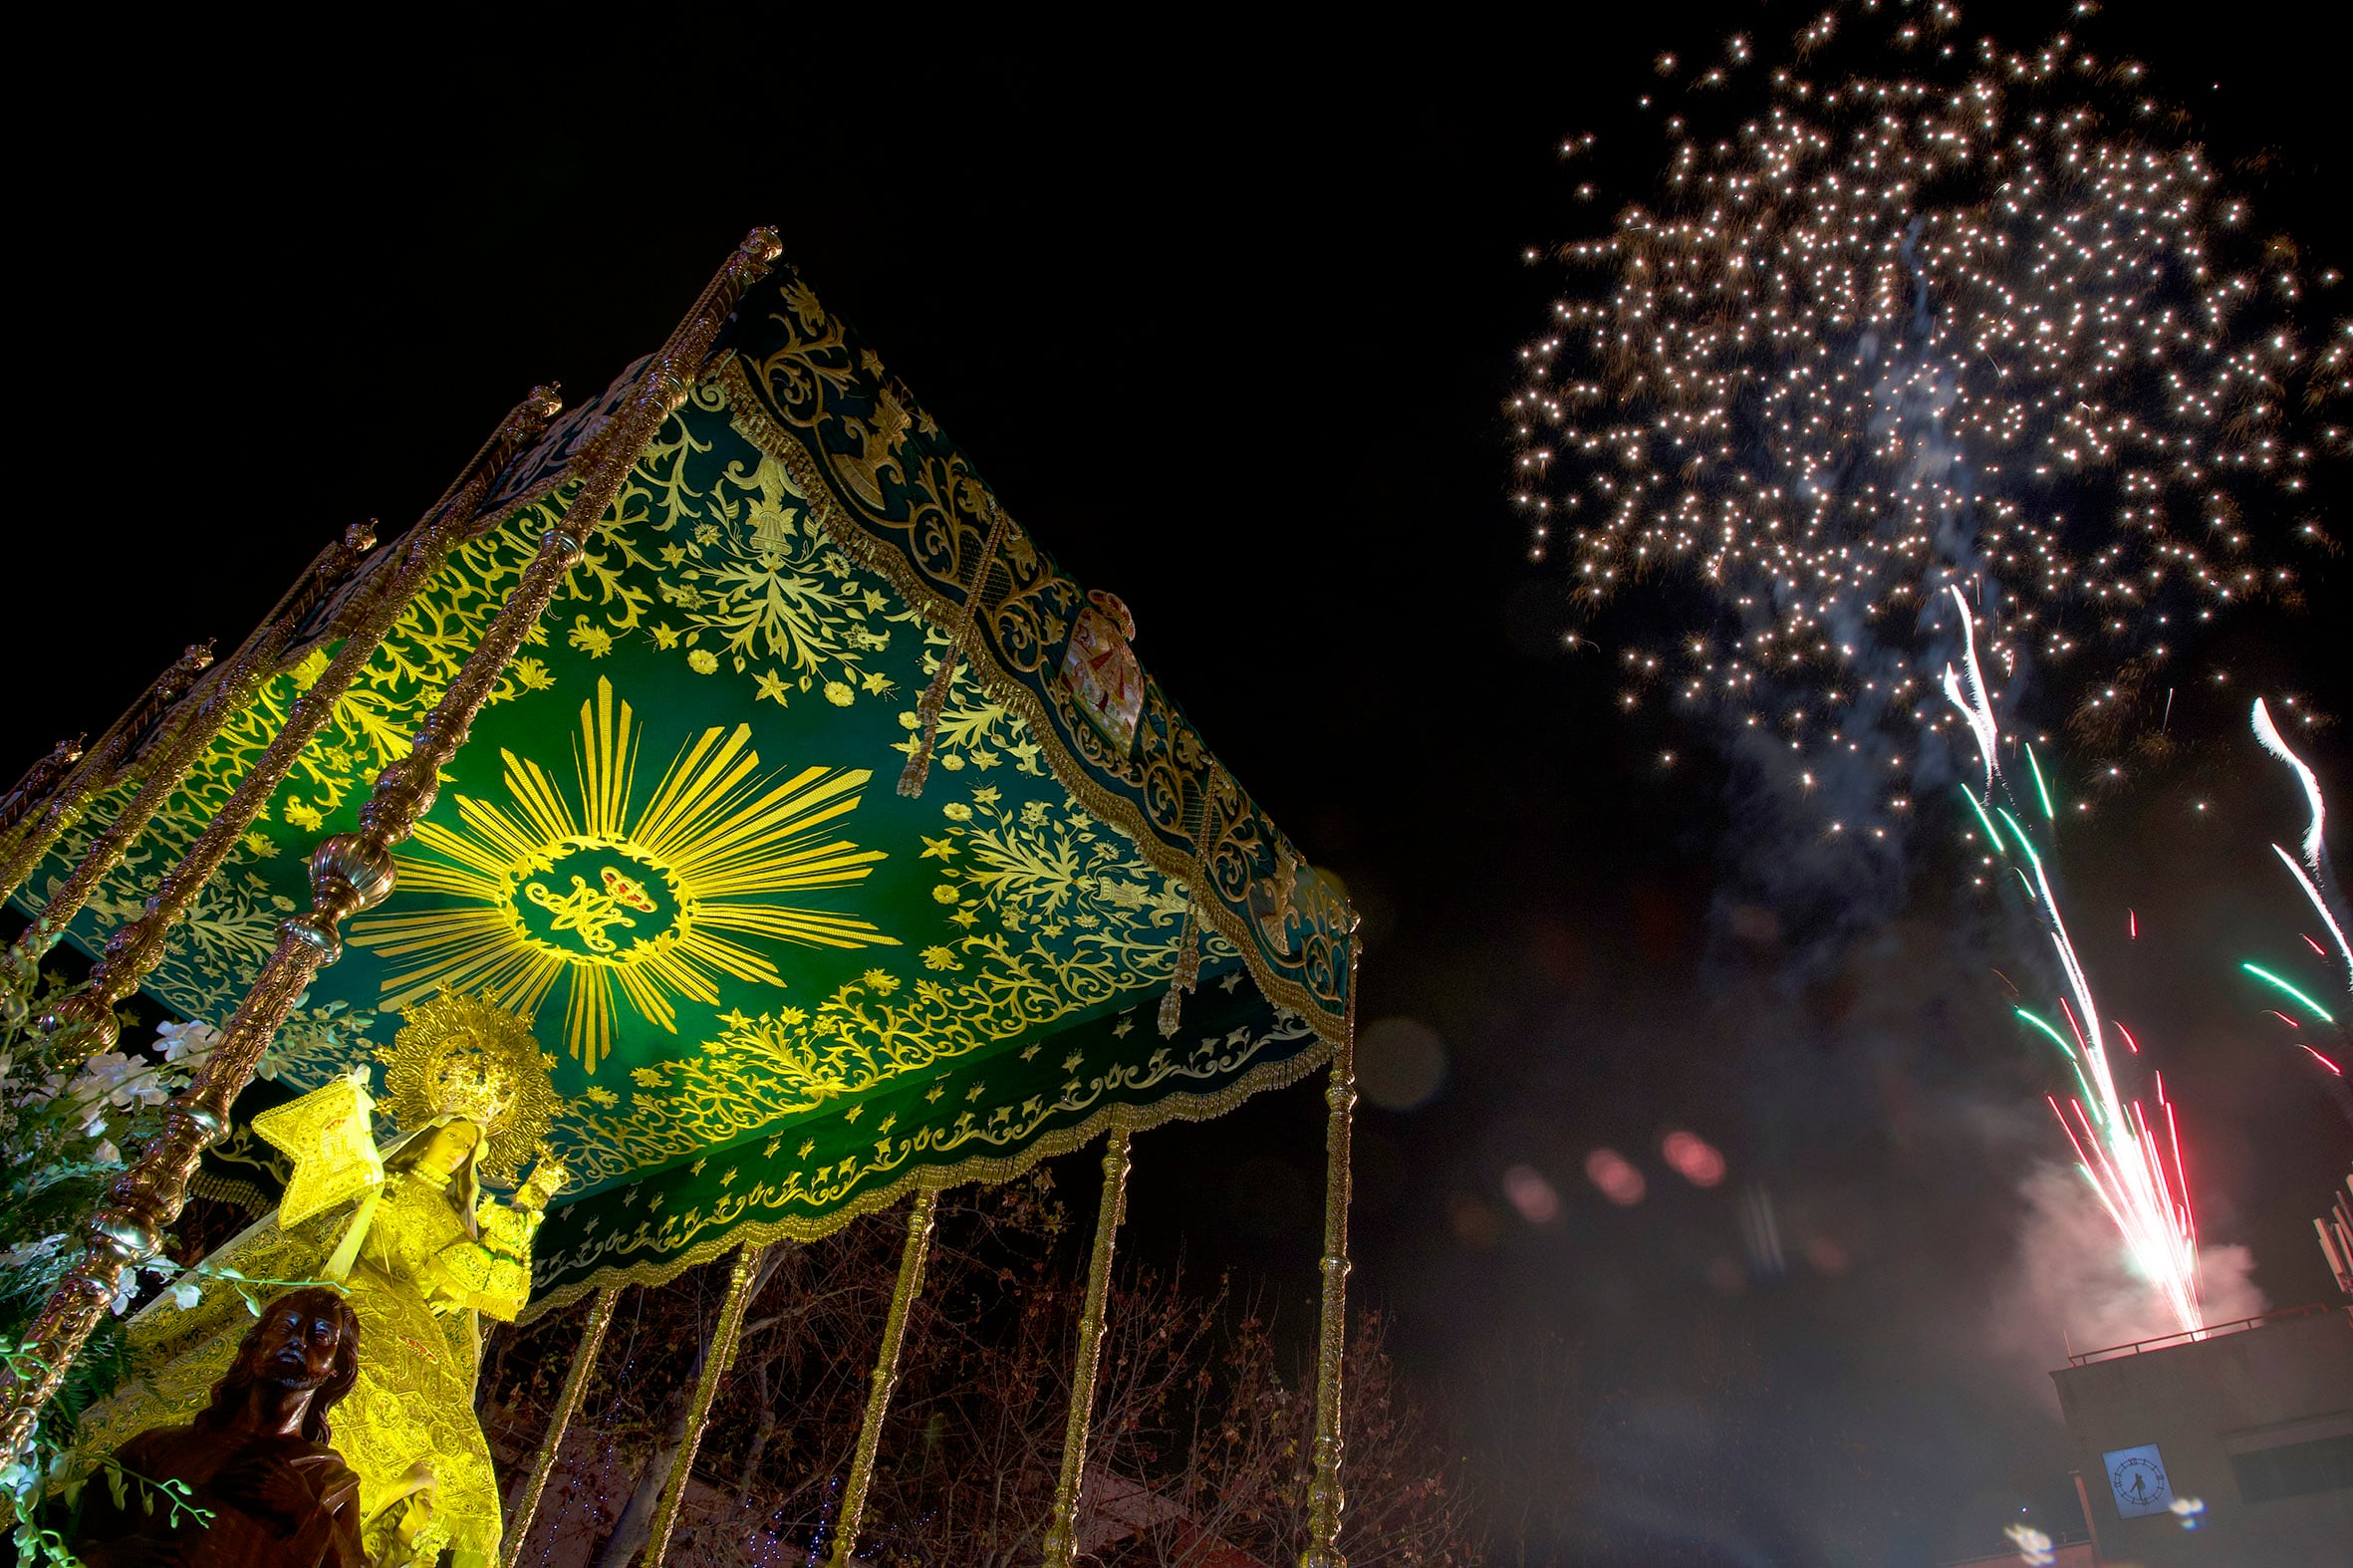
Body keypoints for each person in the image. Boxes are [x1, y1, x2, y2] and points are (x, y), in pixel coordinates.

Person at [67, 1286, 367, 1568]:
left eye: (321, 1336)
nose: (297, 1340)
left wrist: (306, 1511)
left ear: (336, 1368)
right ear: (255, 1345)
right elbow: (59, 1528)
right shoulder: (159, 1447)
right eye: (284, 1327)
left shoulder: (327, 1479)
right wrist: (110, 1557)